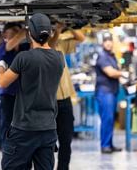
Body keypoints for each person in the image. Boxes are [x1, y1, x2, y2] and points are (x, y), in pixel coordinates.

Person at [0, 13, 64, 170]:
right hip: (48, 129)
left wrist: (1, 65)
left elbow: (2, 83)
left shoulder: (24, 57)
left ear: (29, 34)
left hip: (24, 129)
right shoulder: (59, 58)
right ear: (49, 32)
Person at [49, 22, 85, 170]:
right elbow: (49, 45)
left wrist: (69, 25)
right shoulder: (40, 45)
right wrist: (57, 31)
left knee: (66, 140)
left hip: (65, 100)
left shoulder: (61, 44)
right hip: (49, 103)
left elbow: (81, 38)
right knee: (48, 142)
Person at [0, 23, 30, 147]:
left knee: (23, 126)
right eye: (13, 31)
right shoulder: (3, 48)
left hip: (23, 94)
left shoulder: (25, 47)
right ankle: (8, 151)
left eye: (18, 31)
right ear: (5, 34)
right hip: (7, 94)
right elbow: (12, 43)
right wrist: (24, 29)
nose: (17, 34)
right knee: (8, 124)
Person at [95, 31, 127, 154]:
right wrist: (123, 74)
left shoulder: (111, 55)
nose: (108, 43)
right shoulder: (102, 56)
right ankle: (105, 145)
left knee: (111, 119)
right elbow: (110, 72)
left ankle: (109, 144)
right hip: (105, 93)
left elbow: (115, 70)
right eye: (106, 41)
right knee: (106, 119)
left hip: (112, 92)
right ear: (103, 43)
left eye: (110, 41)